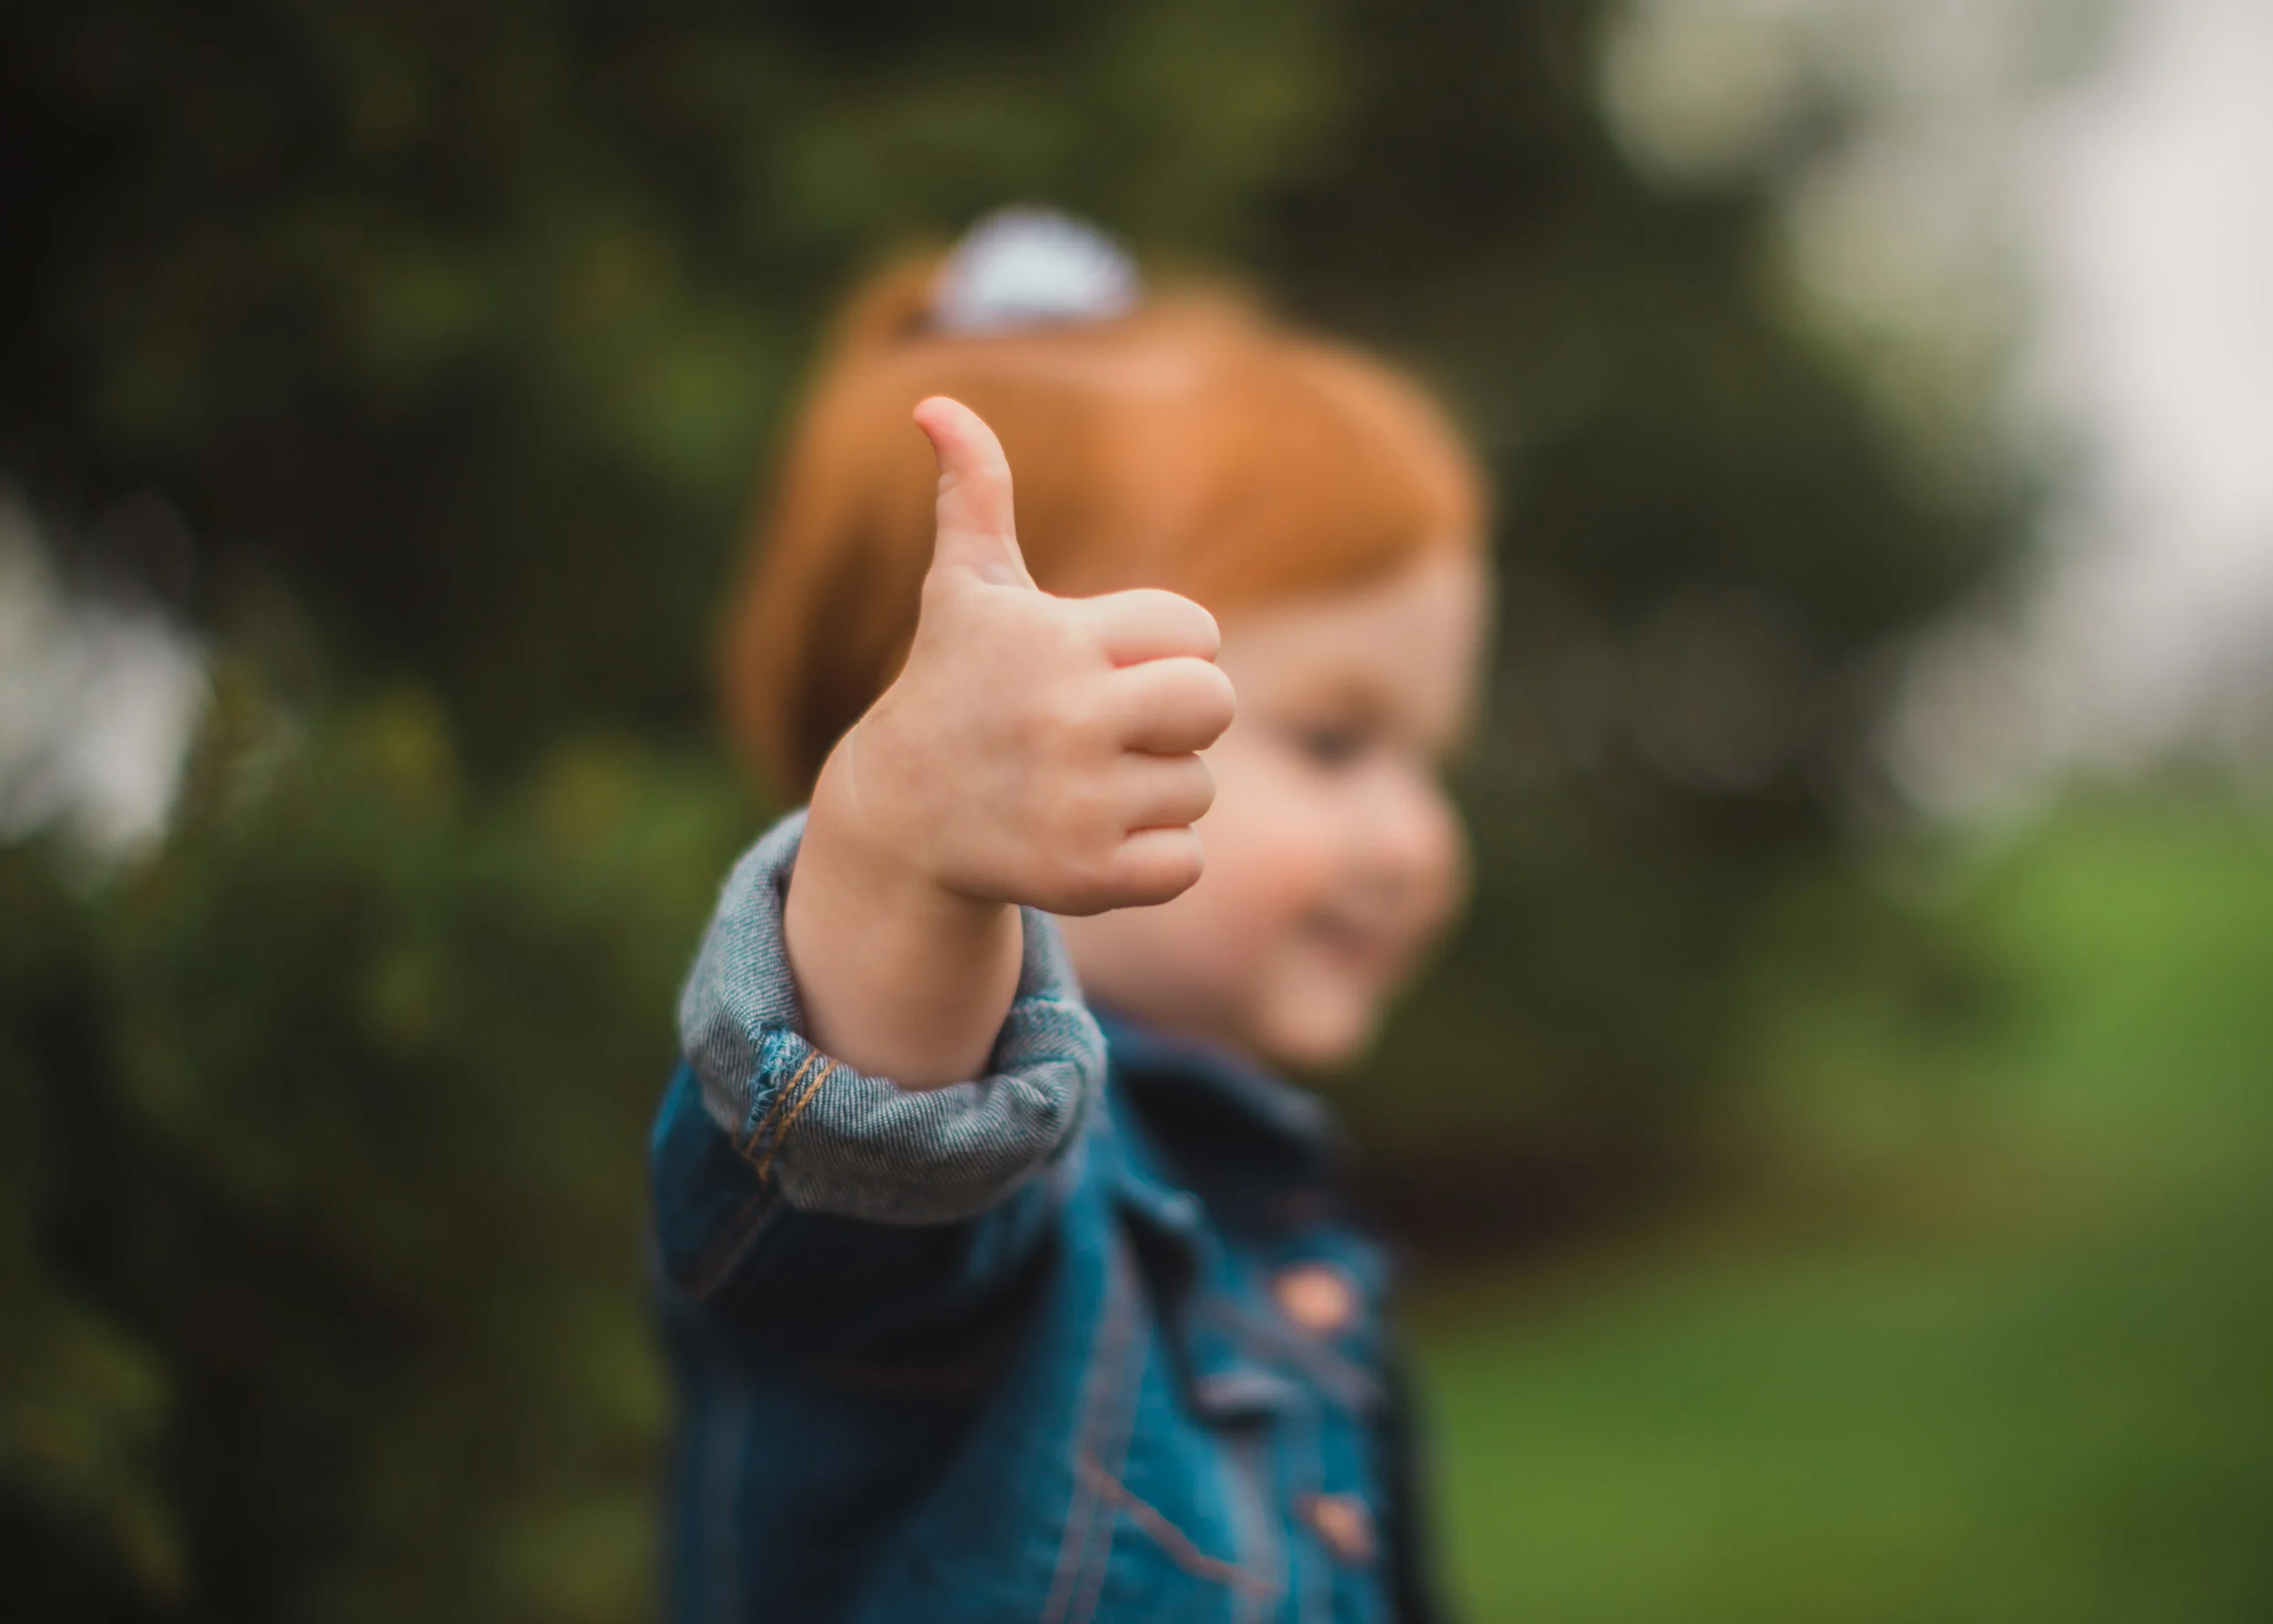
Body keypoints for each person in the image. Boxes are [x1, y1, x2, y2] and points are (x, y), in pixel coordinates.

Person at [650, 208, 1491, 1623]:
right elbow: (872, 1144)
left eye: (1434, 759)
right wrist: (907, 857)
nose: (1418, 838)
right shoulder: (989, 1201)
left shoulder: (1282, 1228)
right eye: (1338, 743)